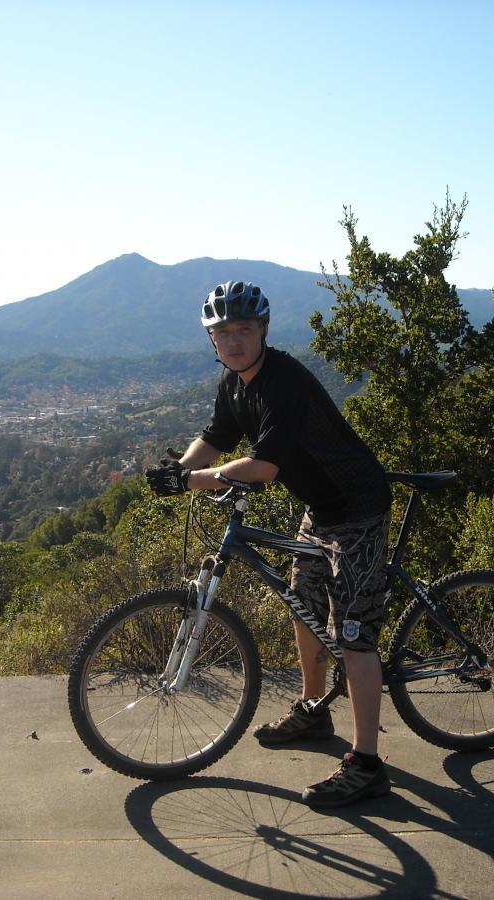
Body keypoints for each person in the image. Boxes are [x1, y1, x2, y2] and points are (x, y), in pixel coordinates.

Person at [145, 280, 394, 809]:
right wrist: (180, 468)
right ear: (212, 340)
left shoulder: (284, 381)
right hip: (321, 510)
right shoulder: (235, 383)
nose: (233, 340)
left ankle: (367, 763)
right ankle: (312, 709)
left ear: (263, 331)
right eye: (223, 332)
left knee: (352, 635)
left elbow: (262, 468)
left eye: (243, 330)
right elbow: (215, 436)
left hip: (358, 508)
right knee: (302, 607)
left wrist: (191, 482)